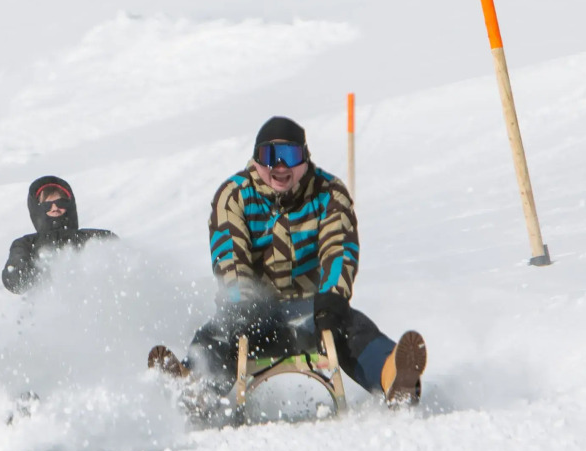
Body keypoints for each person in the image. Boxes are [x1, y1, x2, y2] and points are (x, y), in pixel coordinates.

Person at [149, 116, 425, 417]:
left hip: (313, 312)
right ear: (257, 160)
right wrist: (242, 305)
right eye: (270, 156)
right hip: (254, 315)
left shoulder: (328, 193)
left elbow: (339, 247)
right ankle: (194, 389)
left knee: (352, 328)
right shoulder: (235, 195)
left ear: (305, 159)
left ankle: (393, 377)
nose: (280, 166)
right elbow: (229, 255)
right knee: (219, 335)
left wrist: (331, 299)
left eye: (290, 156)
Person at [1, 175, 117, 293]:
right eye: (47, 204)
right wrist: (40, 272)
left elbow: (120, 263)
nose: (55, 207)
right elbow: (14, 280)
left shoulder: (95, 237)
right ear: (37, 208)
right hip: (48, 303)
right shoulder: (26, 244)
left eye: (61, 202)